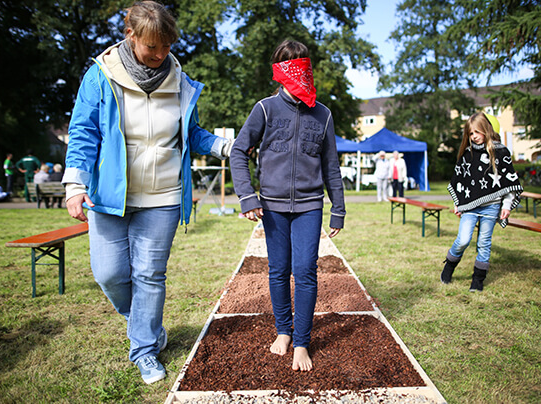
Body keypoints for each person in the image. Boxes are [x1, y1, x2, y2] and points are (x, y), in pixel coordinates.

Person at [62, 1, 232, 385]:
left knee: (150, 275)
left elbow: (192, 134)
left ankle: (144, 350)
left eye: (166, 46)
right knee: (109, 274)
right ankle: (144, 322)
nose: (160, 54)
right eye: (152, 46)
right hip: (109, 196)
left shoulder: (180, 83)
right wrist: (75, 184)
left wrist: (223, 146)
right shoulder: (101, 76)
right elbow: (83, 134)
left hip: (164, 197)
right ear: (131, 36)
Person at [230, 39, 346, 372]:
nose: (297, 72)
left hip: (310, 205)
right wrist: (247, 196)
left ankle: (301, 342)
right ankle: (283, 330)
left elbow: (331, 165)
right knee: (279, 271)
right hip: (273, 206)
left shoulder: (322, 114)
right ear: (279, 71)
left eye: (302, 64)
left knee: (306, 271)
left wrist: (338, 207)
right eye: (288, 64)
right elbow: (239, 152)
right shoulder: (265, 109)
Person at [441, 112, 523, 292]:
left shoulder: (500, 152)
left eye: (478, 132)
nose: (475, 136)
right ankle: (449, 266)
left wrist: (507, 205)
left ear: (486, 130)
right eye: (471, 133)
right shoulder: (468, 154)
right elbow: (460, 180)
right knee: (463, 240)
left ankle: (478, 280)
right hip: (470, 207)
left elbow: (509, 181)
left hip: (492, 206)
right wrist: (459, 203)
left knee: (484, 243)